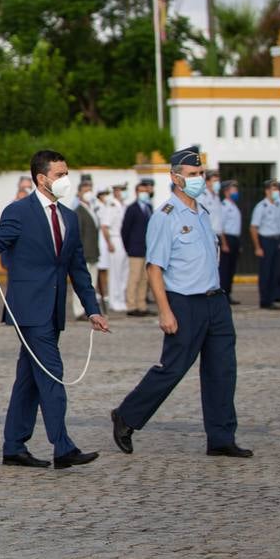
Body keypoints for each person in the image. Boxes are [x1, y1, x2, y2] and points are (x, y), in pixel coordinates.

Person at [0, 149, 109, 470]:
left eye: (66, 173)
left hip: (53, 309)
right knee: (51, 374)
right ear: (41, 178)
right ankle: (64, 447)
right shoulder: (19, 211)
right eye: (60, 175)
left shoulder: (68, 216)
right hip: (28, 309)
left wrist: (93, 309)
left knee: (28, 379)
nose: (65, 180)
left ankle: (14, 446)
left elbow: (78, 269)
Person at [110, 148, 251, 460]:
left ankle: (221, 437)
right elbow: (154, 268)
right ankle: (127, 416)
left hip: (215, 302)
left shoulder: (202, 213)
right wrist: (164, 310)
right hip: (184, 303)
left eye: (200, 174)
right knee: (172, 369)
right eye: (192, 175)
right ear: (175, 178)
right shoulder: (165, 217)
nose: (198, 179)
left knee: (222, 371)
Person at [120, 178, 156, 317]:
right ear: (136, 192)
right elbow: (125, 230)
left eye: (146, 191)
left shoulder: (149, 207)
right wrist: (128, 247)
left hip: (147, 249)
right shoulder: (132, 208)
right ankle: (131, 305)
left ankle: (141, 305)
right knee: (134, 278)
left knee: (144, 279)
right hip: (135, 249)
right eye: (141, 191)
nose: (144, 193)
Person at [71, 180, 102, 322]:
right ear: (79, 193)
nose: (88, 193)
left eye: (90, 189)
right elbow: (78, 235)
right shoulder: (78, 211)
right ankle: (79, 311)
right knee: (82, 282)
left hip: (93, 252)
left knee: (92, 283)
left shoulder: (92, 209)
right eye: (85, 190)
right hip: (84, 253)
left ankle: (90, 309)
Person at [250, 179, 280, 310]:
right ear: (267, 191)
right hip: (265, 241)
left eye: (277, 189)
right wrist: (258, 247)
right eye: (274, 189)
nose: (276, 192)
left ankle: (271, 298)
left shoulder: (277, 206)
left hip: (275, 240)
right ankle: (264, 300)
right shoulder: (261, 206)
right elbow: (253, 228)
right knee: (266, 272)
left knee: (275, 271)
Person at [98, 184, 127, 313]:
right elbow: (105, 226)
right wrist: (109, 242)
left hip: (124, 239)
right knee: (115, 272)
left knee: (124, 272)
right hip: (115, 238)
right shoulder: (111, 205)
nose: (123, 193)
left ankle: (121, 299)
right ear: (115, 192)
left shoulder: (123, 205)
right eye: (121, 190)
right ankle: (114, 301)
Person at [218, 180, 242, 303]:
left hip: (234, 239)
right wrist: (224, 243)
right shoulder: (224, 206)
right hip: (227, 238)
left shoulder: (234, 206)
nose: (236, 192)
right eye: (234, 190)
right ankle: (224, 295)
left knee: (231, 269)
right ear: (226, 191)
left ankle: (228, 294)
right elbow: (220, 226)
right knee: (225, 270)